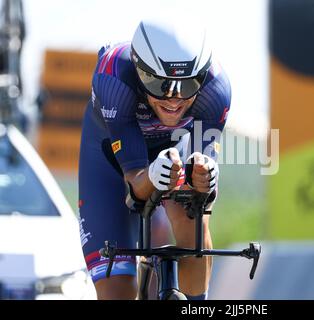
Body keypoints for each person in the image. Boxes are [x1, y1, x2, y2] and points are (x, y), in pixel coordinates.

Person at [77, 18, 231, 300]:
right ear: (138, 70)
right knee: (117, 290)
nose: (173, 99)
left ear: (204, 76)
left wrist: (205, 177)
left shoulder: (216, 90)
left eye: (187, 85)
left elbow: (203, 186)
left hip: (174, 148)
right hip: (109, 157)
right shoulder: (113, 77)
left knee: (193, 217)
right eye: (158, 83)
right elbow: (136, 183)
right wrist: (150, 175)